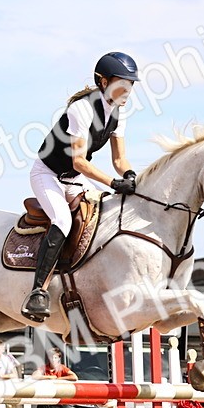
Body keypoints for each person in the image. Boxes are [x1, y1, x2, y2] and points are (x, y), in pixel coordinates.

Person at [21, 51, 141, 323]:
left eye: (131, 84)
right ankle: (37, 291)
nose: (128, 90)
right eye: (122, 83)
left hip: (73, 178)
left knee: (100, 213)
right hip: (48, 173)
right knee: (62, 219)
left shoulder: (118, 114)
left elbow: (119, 159)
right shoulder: (82, 109)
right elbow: (78, 161)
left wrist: (131, 175)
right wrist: (112, 182)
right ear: (103, 81)